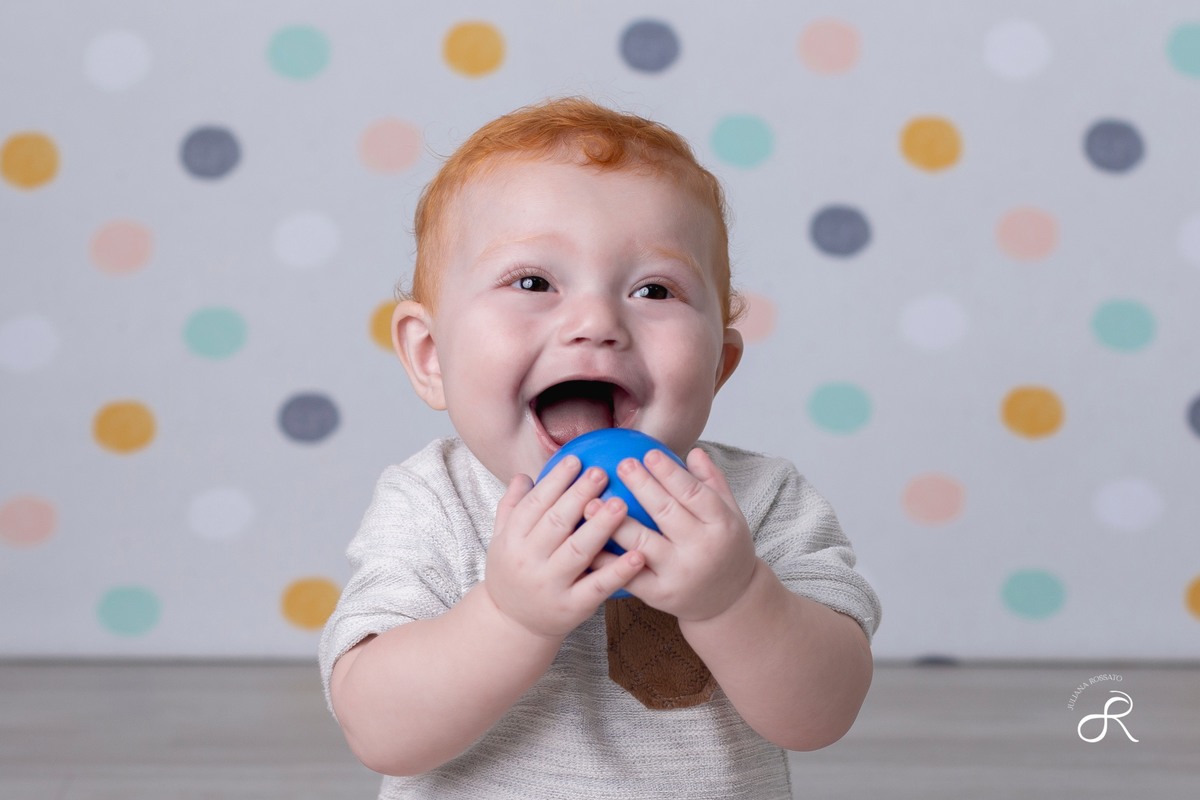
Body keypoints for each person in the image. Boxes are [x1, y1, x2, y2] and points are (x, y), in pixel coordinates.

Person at [319, 96, 881, 799]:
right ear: (431, 355)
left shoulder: (759, 501)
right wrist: (506, 615)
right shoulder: (432, 503)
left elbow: (822, 714)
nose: (596, 322)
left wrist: (735, 598)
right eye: (533, 282)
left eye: (654, 288)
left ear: (718, 366)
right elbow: (379, 730)